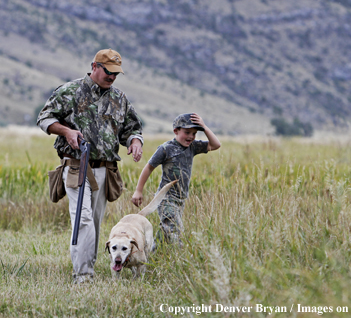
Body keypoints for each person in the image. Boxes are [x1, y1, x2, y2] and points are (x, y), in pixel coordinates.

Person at [37, 48, 143, 284]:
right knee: (83, 220)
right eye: (108, 71)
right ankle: (83, 276)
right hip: (77, 166)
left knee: (94, 221)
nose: (112, 77)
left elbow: (133, 128)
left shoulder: (120, 98)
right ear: (95, 66)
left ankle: (88, 268)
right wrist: (66, 131)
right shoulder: (70, 91)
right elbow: (44, 118)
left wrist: (135, 141)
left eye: (116, 73)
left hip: (106, 169)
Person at [131, 113, 220, 245]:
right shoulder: (166, 149)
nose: (191, 136)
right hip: (166, 198)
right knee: (175, 229)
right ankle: (181, 254)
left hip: (180, 199)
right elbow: (148, 167)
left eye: (194, 133)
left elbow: (216, 145)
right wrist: (138, 190)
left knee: (165, 231)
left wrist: (205, 127)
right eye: (187, 132)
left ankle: (152, 254)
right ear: (176, 131)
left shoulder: (193, 147)